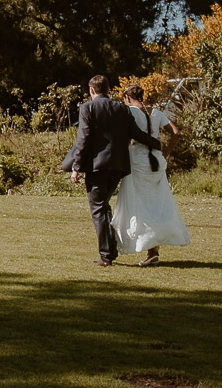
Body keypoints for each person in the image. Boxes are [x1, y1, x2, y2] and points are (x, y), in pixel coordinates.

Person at [60, 74, 162, 267]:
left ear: (92, 90)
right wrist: (155, 143)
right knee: (103, 207)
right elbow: (135, 133)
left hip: (97, 166)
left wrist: (76, 167)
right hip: (118, 166)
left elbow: (84, 138)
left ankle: (106, 255)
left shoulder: (87, 108)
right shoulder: (122, 109)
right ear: (108, 89)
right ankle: (110, 250)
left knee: (98, 209)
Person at [114, 84, 190, 265]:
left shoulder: (130, 112)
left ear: (126, 97)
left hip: (138, 161)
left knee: (139, 204)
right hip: (156, 161)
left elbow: (126, 138)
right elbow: (176, 133)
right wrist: (166, 153)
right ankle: (153, 250)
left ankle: (145, 244)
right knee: (155, 203)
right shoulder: (155, 112)